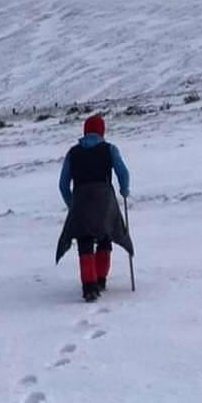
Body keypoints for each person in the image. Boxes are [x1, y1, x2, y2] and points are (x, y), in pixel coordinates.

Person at [55, 114, 133, 302]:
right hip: (104, 200)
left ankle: (89, 286)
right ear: (102, 131)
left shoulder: (73, 153)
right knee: (105, 235)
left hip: (81, 198)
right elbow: (123, 172)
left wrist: (72, 204)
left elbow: (63, 184)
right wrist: (124, 189)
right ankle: (101, 278)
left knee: (85, 240)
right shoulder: (110, 149)